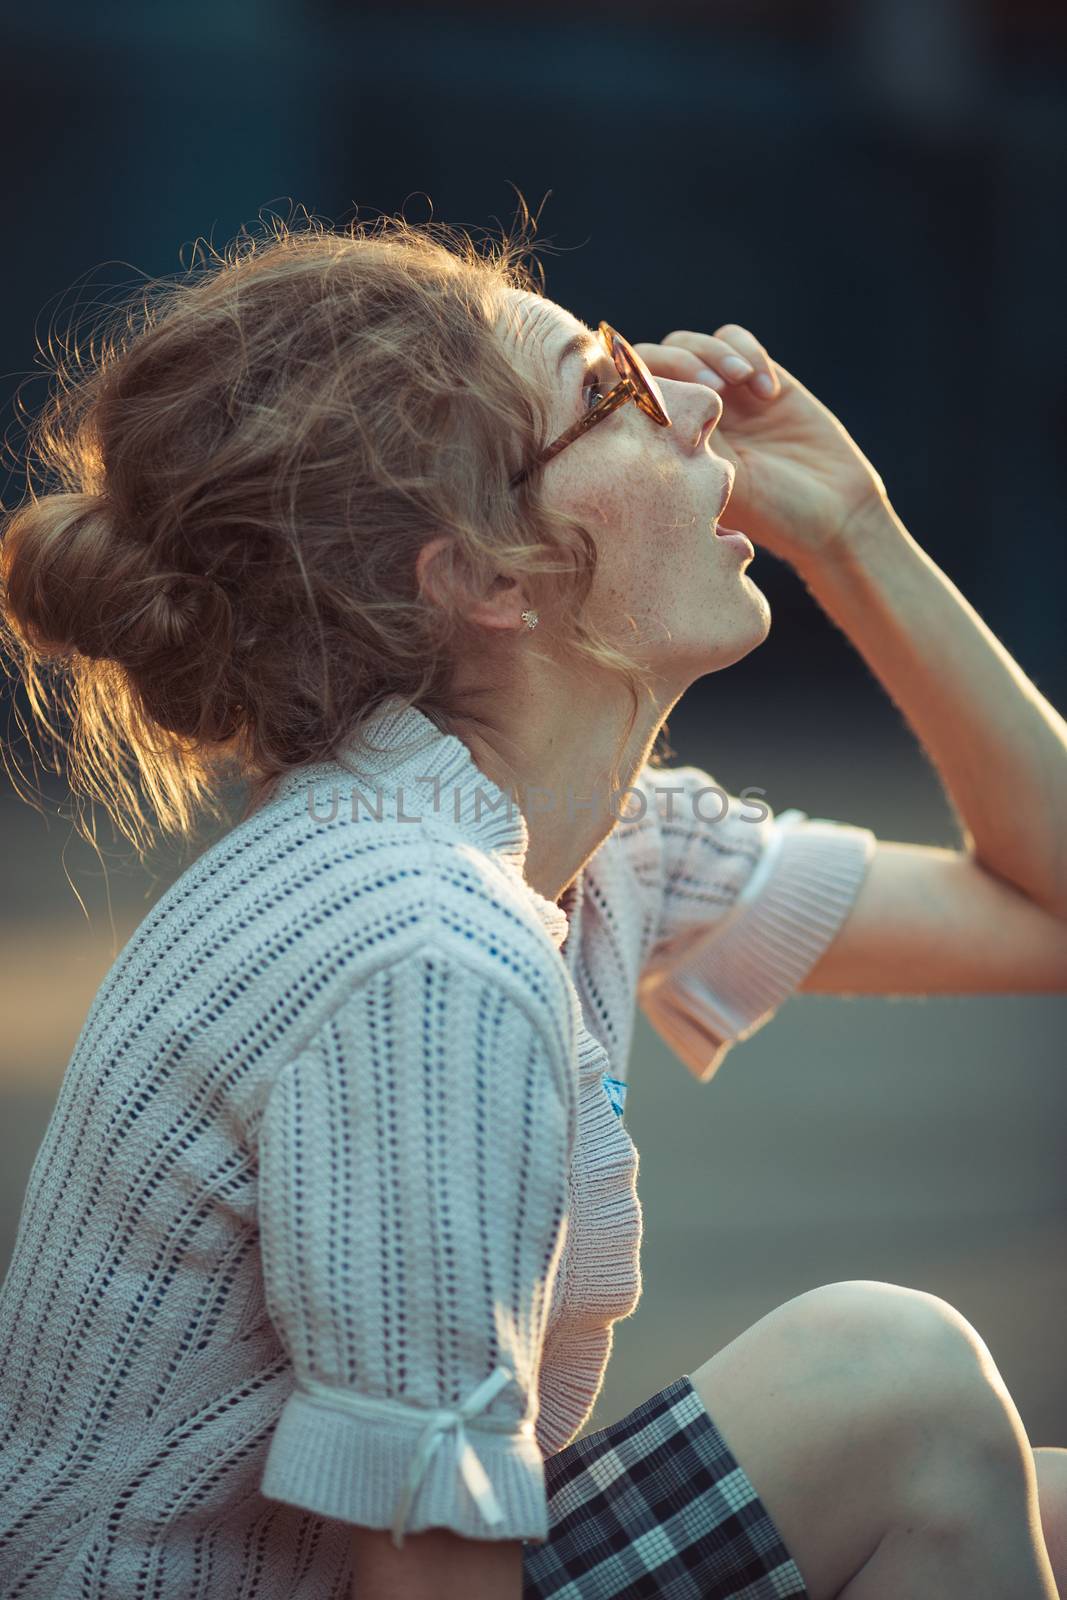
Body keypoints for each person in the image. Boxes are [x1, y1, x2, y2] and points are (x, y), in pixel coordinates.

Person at [0, 213, 1064, 1600]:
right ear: (486, 578)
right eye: (612, 388)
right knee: (894, 1383)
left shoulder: (585, 845)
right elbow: (432, 1581)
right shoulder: (421, 946)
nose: (697, 403)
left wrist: (856, 534)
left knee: (1030, 1493)